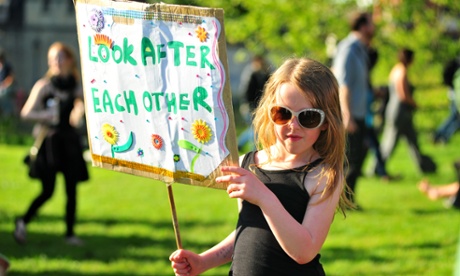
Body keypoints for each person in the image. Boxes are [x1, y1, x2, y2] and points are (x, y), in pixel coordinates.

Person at [170, 57, 351, 275]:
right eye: (282, 113)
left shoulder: (323, 174)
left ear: (325, 122)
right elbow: (248, 228)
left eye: (308, 117)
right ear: (269, 112)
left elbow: (304, 251)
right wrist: (203, 261)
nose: (293, 125)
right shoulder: (249, 163)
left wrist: (264, 198)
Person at [14, 42, 89, 246]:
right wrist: (45, 115)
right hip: (50, 143)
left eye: (59, 57)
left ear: (70, 60)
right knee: (48, 191)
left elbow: (84, 105)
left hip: (70, 141)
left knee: (71, 189)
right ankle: (22, 221)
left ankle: (70, 234)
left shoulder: (75, 85)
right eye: (52, 58)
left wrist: (79, 112)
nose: (55, 62)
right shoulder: (44, 85)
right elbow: (26, 113)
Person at [332, 11, 376, 204]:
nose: (374, 27)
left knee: (358, 156)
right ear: (363, 26)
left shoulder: (361, 49)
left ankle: (347, 199)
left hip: (360, 113)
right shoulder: (348, 48)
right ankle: (342, 200)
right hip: (350, 115)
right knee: (350, 159)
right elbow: (343, 83)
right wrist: (346, 114)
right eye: (371, 23)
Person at [377, 48, 436, 174]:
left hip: (399, 111)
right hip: (400, 111)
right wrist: (415, 104)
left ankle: (424, 167)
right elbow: (403, 94)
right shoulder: (402, 71)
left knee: (412, 140)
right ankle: (377, 168)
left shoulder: (395, 69)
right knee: (390, 141)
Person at [237, 55, 271, 151]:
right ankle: (252, 150)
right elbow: (245, 93)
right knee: (255, 130)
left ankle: (239, 144)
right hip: (250, 107)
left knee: (254, 129)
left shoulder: (264, 74)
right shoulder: (251, 74)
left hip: (260, 107)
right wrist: (249, 106)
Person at [433, 58, 460, 144]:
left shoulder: (455, 65)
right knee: (455, 119)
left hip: (453, 96)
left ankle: (439, 135)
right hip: (456, 98)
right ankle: (441, 136)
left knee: (453, 118)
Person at [0, 48, 16, 117]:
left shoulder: (7, 66)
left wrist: (3, 85)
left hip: (6, 88)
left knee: (3, 94)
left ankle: (7, 114)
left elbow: (11, 78)